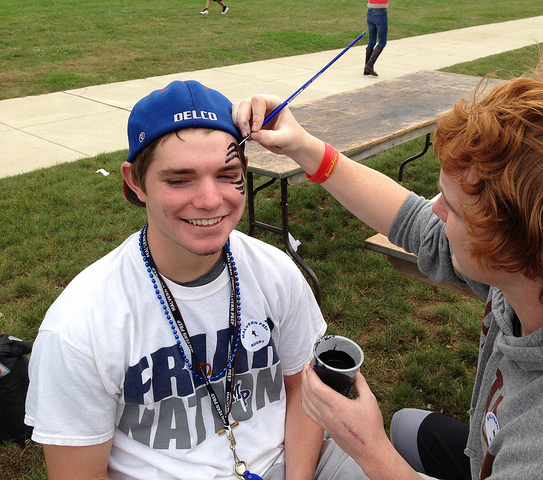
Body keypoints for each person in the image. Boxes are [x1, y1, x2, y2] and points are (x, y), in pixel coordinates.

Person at [232, 60, 543, 480]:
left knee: (392, 443)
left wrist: (371, 451)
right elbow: (414, 223)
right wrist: (303, 145)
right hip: (488, 448)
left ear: (519, 250)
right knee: (407, 426)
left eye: (455, 210)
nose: (434, 209)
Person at [24, 80, 370, 480]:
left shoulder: (274, 271)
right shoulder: (80, 325)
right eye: (179, 179)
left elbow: (302, 391)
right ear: (135, 182)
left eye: (227, 174)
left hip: (295, 464)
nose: (210, 200)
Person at [364, 0, 388, 76]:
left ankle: (367, 68)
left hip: (370, 11)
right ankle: (369, 65)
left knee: (372, 40)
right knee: (382, 42)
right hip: (380, 12)